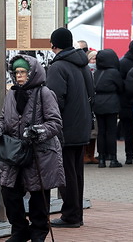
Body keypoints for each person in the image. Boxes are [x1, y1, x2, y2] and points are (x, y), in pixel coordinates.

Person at [0, 55, 65, 241]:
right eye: (16, 72)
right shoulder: (11, 94)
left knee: (38, 195)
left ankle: (39, 231)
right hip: (15, 153)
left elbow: (55, 123)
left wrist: (38, 130)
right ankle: (20, 230)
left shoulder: (45, 93)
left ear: (32, 73)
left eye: (23, 72)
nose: (19, 76)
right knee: (9, 192)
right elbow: (4, 120)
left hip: (39, 153)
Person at [46, 28, 94, 228]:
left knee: (66, 173)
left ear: (54, 45)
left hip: (65, 127)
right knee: (76, 172)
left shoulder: (58, 67)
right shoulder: (82, 64)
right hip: (81, 126)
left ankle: (71, 216)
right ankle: (76, 214)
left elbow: (54, 100)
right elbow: (92, 92)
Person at [94, 49, 124, 168]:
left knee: (101, 132)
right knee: (111, 131)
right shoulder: (114, 72)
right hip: (111, 102)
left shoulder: (96, 72)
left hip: (98, 103)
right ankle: (113, 158)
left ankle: (101, 158)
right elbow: (120, 87)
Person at [84, 50, 99, 164]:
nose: (94, 61)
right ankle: (85, 154)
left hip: (96, 104)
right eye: (92, 59)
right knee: (87, 130)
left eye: (95, 59)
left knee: (94, 132)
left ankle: (91, 154)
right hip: (86, 103)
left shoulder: (99, 72)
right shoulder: (84, 71)